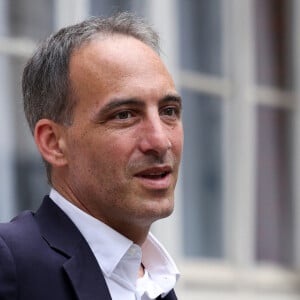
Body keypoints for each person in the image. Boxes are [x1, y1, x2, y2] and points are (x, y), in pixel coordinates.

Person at [0, 12, 183, 300]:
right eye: (124, 115)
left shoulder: (157, 283)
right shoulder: (11, 262)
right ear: (53, 143)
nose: (160, 142)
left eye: (168, 111)